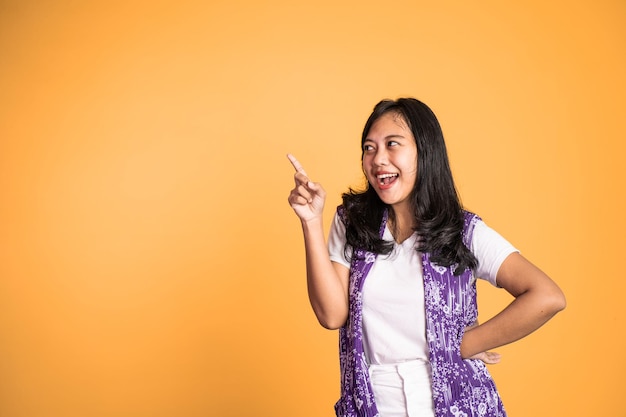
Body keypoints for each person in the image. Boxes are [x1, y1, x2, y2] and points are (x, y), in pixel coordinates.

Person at [287, 97, 566, 417]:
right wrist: (310, 221)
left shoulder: (462, 230)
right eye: (369, 147)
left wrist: (466, 343)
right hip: (376, 401)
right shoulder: (353, 223)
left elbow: (547, 296)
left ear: (424, 150)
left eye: (393, 144)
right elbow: (332, 316)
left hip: (456, 402)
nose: (378, 159)